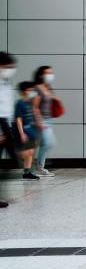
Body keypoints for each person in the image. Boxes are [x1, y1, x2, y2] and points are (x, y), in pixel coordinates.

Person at [32, 66, 59, 177]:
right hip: (41, 120)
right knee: (46, 143)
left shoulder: (48, 88)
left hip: (49, 119)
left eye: (51, 73)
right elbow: (35, 106)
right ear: (41, 75)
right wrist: (39, 121)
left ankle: (37, 167)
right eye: (47, 73)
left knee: (48, 143)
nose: (50, 75)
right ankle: (38, 168)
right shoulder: (37, 88)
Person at [14, 82, 41, 181]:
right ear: (23, 92)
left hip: (32, 130)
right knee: (26, 152)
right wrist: (21, 133)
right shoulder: (20, 103)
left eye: (32, 90)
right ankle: (14, 155)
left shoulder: (32, 103)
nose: (32, 92)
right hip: (24, 130)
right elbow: (18, 119)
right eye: (29, 90)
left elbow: (35, 115)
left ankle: (27, 172)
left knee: (31, 152)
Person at [0, 53, 16, 207]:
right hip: (0, 124)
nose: (10, 70)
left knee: (13, 160)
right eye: (7, 66)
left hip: (6, 123)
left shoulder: (6, 82)